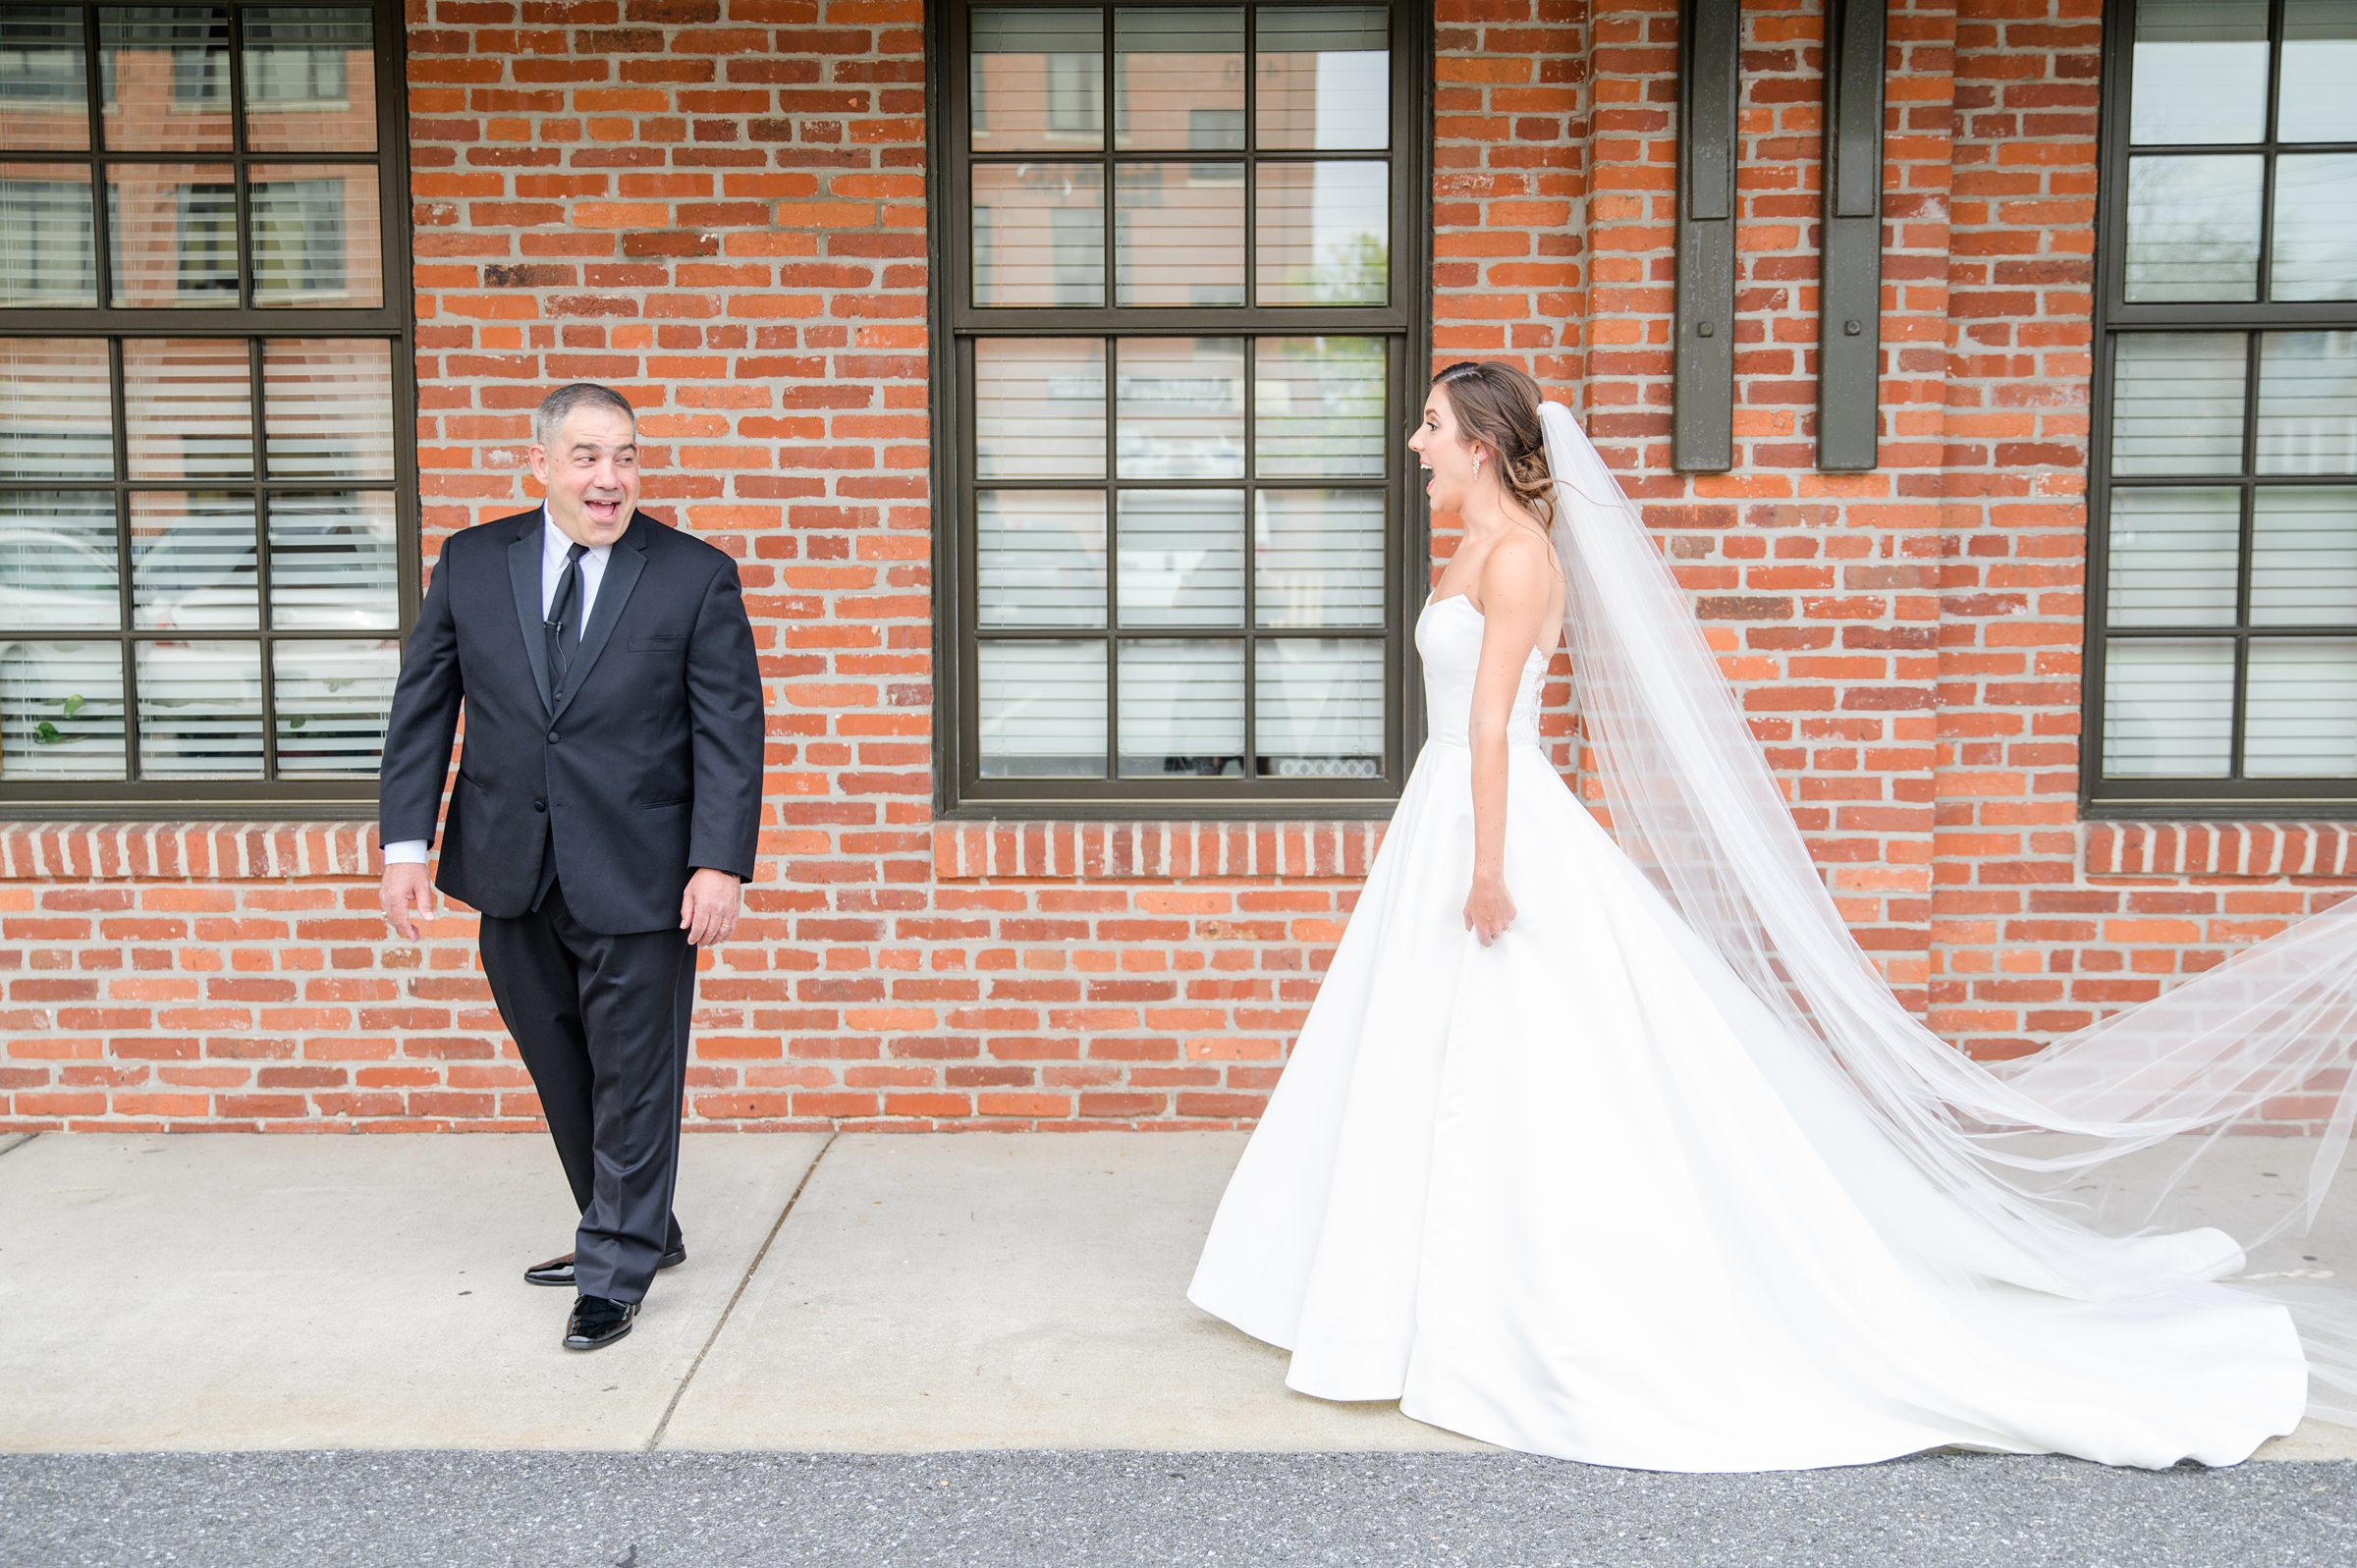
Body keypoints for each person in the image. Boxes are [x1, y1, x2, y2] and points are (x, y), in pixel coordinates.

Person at [1189, 360, 2357, 1471]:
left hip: (1488, 824)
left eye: (1432, 428)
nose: (1415, 445)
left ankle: (1510, 1304)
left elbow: (1496, 725)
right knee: (1422, 1053)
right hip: (1444, 811)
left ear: (1483, 447)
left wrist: (1489, 869)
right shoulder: (1472, 547)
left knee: (1521, 1060)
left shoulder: (1520, 559)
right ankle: (1391, 1297)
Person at [376, 382, 763, 1351]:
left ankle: (616, 1262)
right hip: (510, 866)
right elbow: (424, 705)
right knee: (561, 1063)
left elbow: (730, 732)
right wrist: (404, 845)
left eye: (626, 455)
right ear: (539, 463)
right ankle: (637, 1224)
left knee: (637, 1073)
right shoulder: (472, 562)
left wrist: (721, 862)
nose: (610, 477)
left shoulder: (693, 575)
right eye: (588, 456)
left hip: (643, 871)